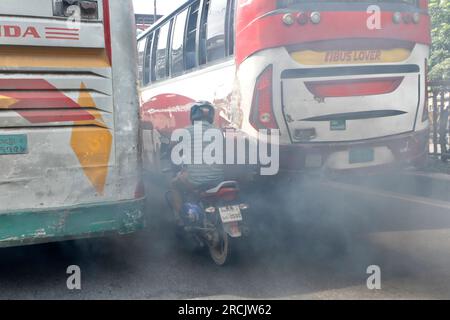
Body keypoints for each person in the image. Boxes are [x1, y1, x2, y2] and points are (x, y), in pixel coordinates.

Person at [170, 101, 225, 224]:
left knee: (174, 184)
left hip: (196, 181)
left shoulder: (186, 131)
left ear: (193, 115)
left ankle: (180, 220)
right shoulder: (219, 132)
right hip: (218, 180)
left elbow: (173, 149)